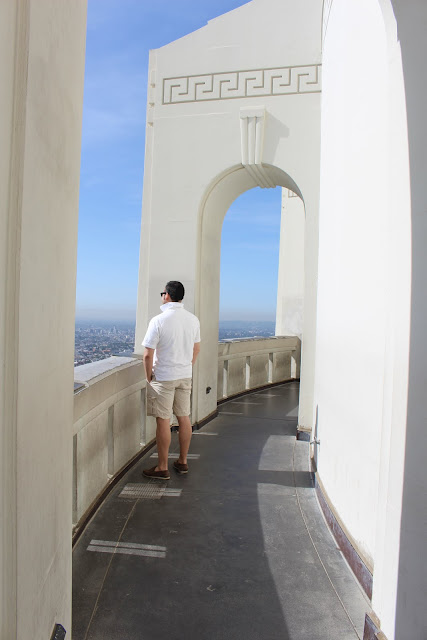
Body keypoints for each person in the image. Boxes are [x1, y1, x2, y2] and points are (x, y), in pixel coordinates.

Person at [141, 281, 200, 480]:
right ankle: (182, 462)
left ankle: (162, 467)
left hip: (164, 376)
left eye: (162, 293)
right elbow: (196, 348)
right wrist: (186, 366)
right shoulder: (193, 320)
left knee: (163, 420)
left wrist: (148, 376)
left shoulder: (158, 320)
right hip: (184, 375)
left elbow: (148, 354)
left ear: (166, 295)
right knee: (184, 417)